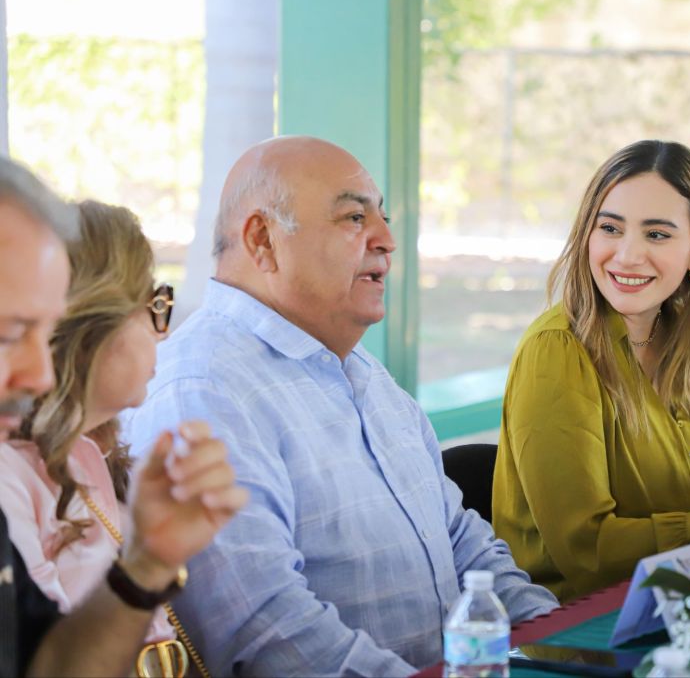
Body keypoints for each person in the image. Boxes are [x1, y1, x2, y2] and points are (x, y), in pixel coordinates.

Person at [124, 135, 558, 676]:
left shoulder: (363, 372)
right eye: (354, 218)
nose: (387, 241)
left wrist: (561, 647)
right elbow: (267, 632)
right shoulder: (204, 391)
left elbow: (464, 547)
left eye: (382, 217)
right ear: (262, 239)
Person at [491, 140, 690, 602]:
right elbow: (588, 550)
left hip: (687, 594)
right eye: (610, 228)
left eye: (657, 235)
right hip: (582, 622)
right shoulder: (557, 351)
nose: (626, 255)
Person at [0, 156, 246, 677]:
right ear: (91, 325)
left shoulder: (93, 457)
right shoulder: (12, 473)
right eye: (153, 303)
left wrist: (150, 563)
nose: (39, 374)